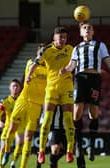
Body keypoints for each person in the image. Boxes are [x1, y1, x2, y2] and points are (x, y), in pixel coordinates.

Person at [59, 22, 110, 164]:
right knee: (77, 112)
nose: (87, 29)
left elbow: (107, 60)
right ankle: (78, 145)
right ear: (81, 33)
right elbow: (72, 64)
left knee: (94, 112)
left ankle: (92, 146)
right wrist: (66, 69)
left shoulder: (100, 45)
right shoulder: (77, 48)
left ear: (93, 32)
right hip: (80, 78)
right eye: (84, 28)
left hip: (94, 79)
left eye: (89, 28)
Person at [26, 26, 75, 164]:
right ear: (54, 38)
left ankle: (69, 152)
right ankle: (41, 151)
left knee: (68, 119)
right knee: (47, 119)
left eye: (64, 38)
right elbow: (35, 64)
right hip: (52, 88)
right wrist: (28, 76)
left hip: (67, 87)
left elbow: (75, 63)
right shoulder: (46, 50)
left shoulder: (71, 49)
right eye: (60, 38)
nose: (62, 40)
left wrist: (69, 69)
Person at [2, 44, 47, 168]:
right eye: (41, 53)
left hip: (37, 104)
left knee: (29, 136)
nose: (44, 56)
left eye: (45, 54)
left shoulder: (50, 68)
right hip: (23, 100)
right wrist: (40, 57)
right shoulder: (30, 63)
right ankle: (7, 151)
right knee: (12, 128)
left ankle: (23, 166)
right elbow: (33, 64)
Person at [0, 79, 22, 168]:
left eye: (17, 86)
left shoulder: (22, 101)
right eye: (13, 86)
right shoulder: (5, 102)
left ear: (20, 88)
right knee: (3, 148)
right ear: (10, 88)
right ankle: (0, 166)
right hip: (8, 127)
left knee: (20, 143)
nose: (15, 88)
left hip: (19, 127)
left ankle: (13, 162)